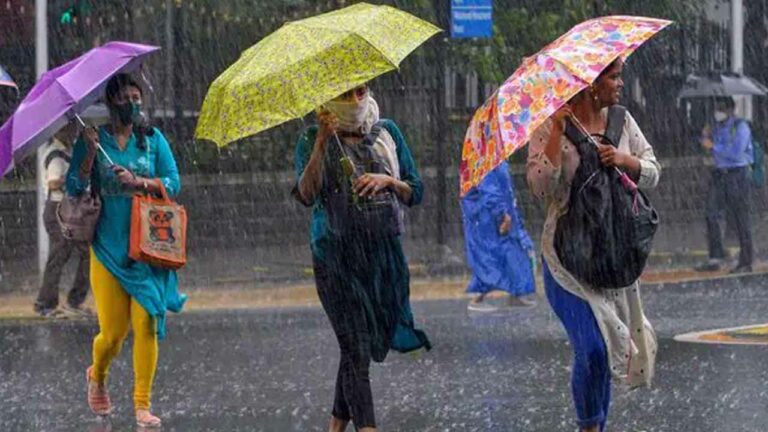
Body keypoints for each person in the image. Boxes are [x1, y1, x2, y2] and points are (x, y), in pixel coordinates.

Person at [527, 58, 658, 432]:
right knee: (594, 349)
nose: (620, 83)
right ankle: (589, 425)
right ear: (590, 84)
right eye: (613, 77)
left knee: (609, 348)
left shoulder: (622, 121)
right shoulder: (550, 124)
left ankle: (596, 426)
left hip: (612, 255)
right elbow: (540, 188)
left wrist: (624, 160)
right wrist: (557, 131)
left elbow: (653, 172)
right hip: (566, 262)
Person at [293, 84, 431, 432]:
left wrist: (389, 181)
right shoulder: (312, 138)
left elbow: (415, 190)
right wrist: (322, 142)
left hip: (381, 256)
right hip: (335, 257)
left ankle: (335, 426)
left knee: (358, 346)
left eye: (360, 92)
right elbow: (306, 194)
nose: (355, 101)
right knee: (355, 345)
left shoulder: (388, 132)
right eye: (345, 95)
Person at [66, 73, 186, 428]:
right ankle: (97, 374)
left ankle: (142, 404)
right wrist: (88, 154)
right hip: (108, 247)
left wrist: (141, 182)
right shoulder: (94, 140)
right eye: (124, 98)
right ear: (110, 102)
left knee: (147, 320)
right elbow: (74, 186)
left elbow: (173, 182)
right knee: (113, 335)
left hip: (147, 245)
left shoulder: (152, 140)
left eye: (137, 97)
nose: (132, 103)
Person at [33, 121, 92, 318]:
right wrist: (73, 179)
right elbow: (53, 183)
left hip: (70, 211)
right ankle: (45, 303)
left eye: (73, 127)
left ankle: (75, 300)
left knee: (87, 253)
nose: (72, 131)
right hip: (57, 210)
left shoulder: (70, 151)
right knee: (59, 255)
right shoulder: (55, 154)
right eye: (68, 128)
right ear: (57, 130)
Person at [461, 160, 536, 312]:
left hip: (496, 215)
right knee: (490, 257)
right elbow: (490, 191)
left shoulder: (494, 160)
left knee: (511, 253)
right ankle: (478, 297)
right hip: (488, 218)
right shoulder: (485, 160)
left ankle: (516, 292)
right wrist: (501, 213)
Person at [695, 96, 754, 273]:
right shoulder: (716, 127)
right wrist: (705, 138)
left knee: (741, 217)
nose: (718, 112)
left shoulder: (740, 127)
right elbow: (709, 150)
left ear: (730, 109)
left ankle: (746, 261)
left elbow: (736, 153)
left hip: (738, 174)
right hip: (720, 174)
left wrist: (713, 146)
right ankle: (716, 257)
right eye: (717, 108)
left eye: (721, 108)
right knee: (712, 213)